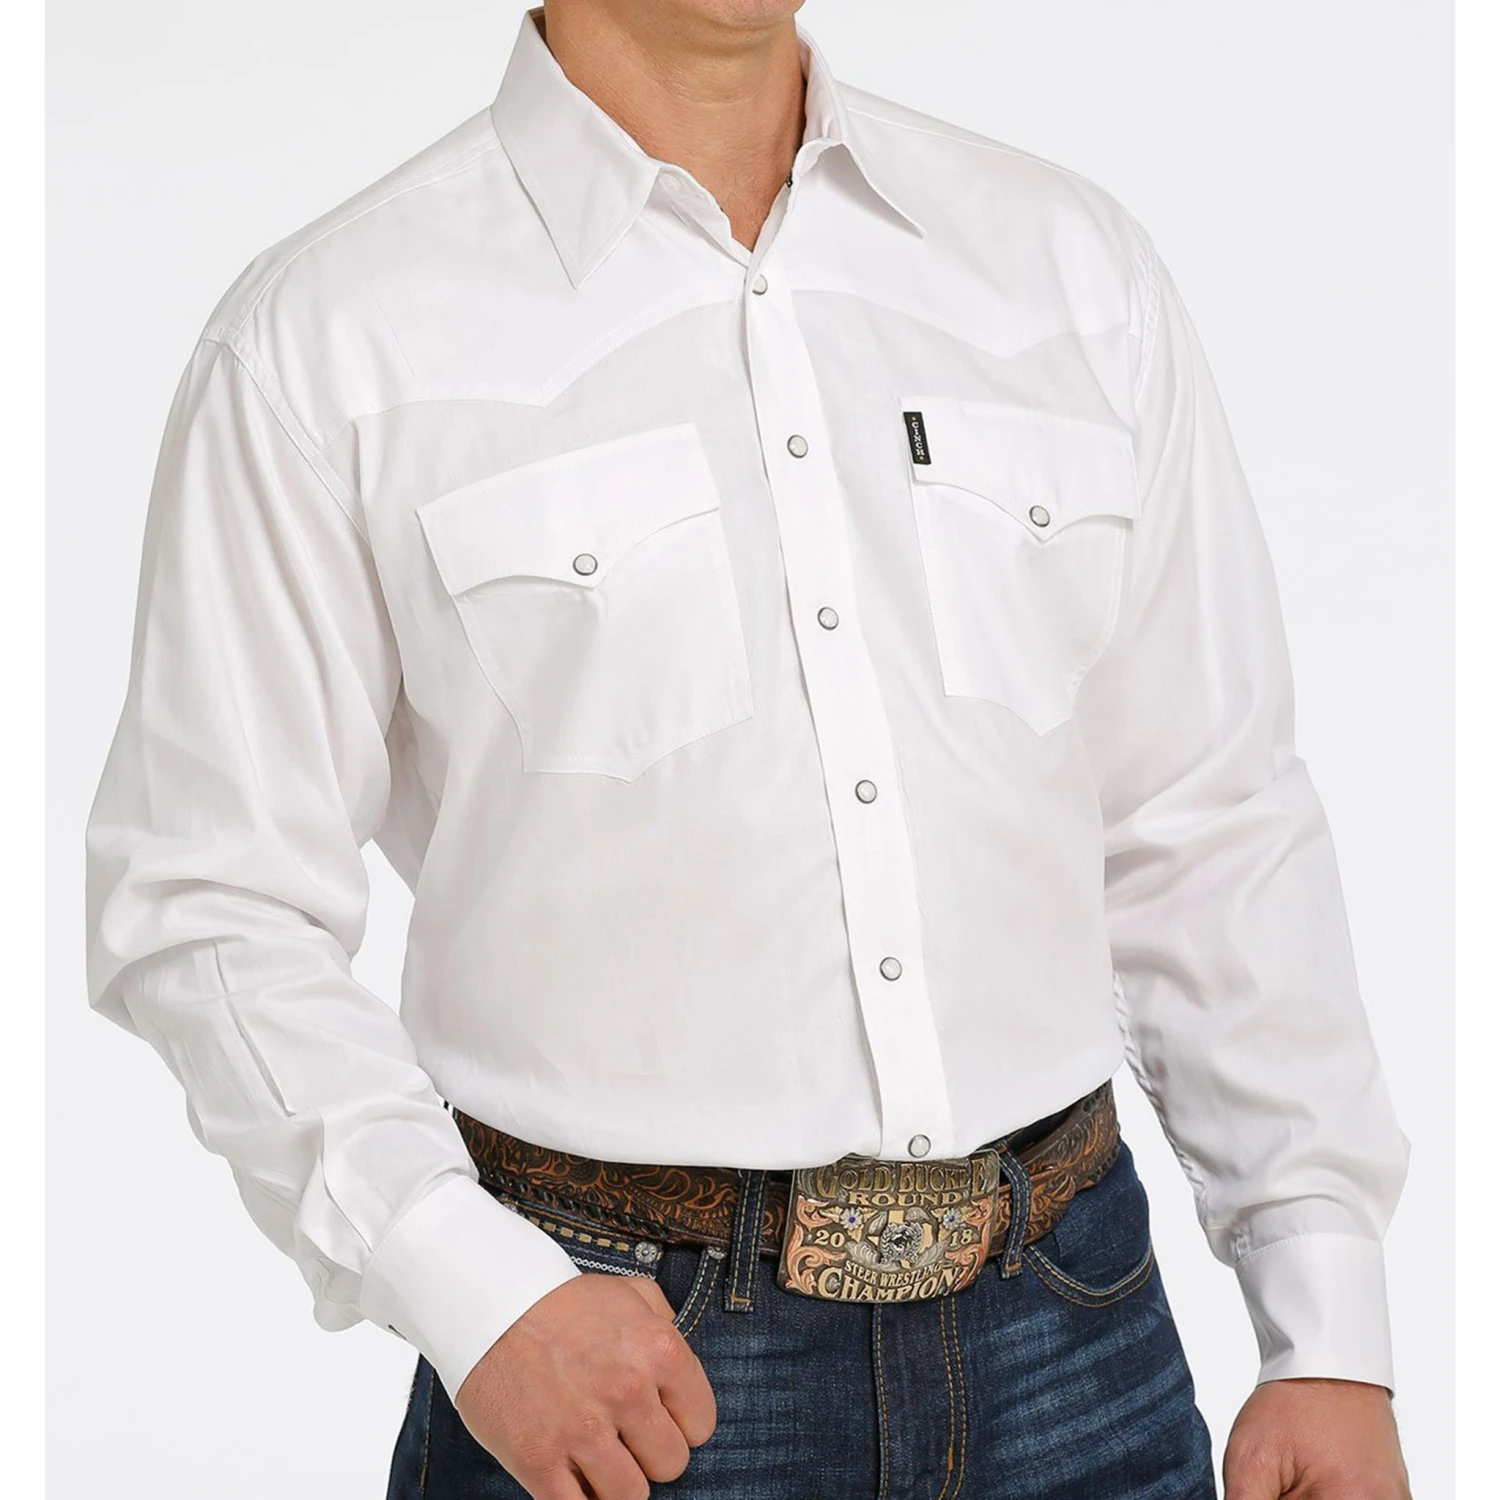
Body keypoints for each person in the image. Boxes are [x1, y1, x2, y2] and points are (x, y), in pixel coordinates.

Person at [83, 3, 1414, 1497]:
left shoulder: (1068, 270)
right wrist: (469, 1286)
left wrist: (1327, 1321)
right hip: (622, 1370)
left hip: (1076, 1334)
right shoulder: (331, 336)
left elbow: (1207, 814)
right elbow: (208, 897)